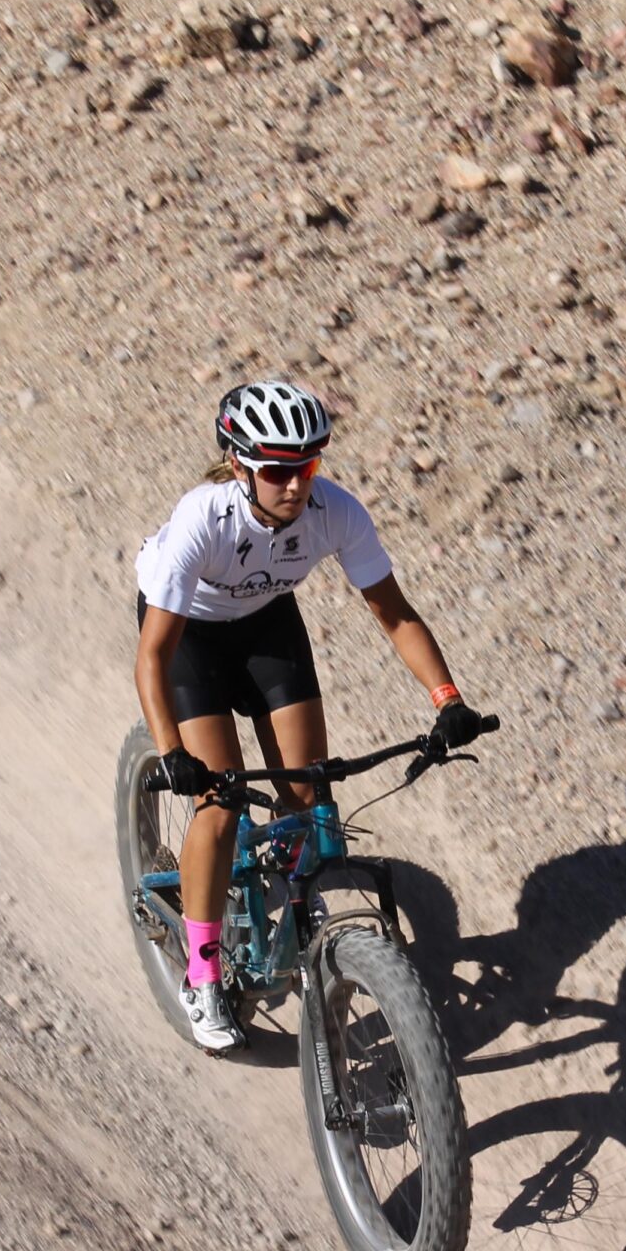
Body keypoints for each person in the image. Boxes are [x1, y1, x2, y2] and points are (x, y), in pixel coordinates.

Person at [135, 379, 486, 1051]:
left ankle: (296, 901)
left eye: (308, 465)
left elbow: (395, 613)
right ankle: (203, 974)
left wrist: (448, 698)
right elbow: (153, 654)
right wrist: (169, 750)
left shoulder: (335, 512)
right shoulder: (203, 519)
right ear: (239, 465)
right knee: (220, 799)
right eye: (276, 470)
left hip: (265, 624)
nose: (295, 486)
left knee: (307, 789)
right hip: (189, 636)